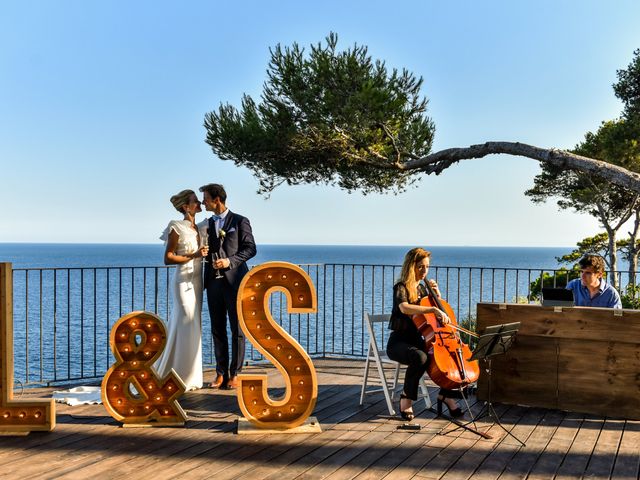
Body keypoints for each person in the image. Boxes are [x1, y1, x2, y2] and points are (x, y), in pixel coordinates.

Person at [386, 247, 465, 420]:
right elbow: (404, 307)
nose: (424, 271)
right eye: (420, 266)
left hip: (418, 340)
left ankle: (446, 395)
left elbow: (432, 317)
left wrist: (436, 296)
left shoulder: (422, 290)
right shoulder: (401, 288)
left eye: (427, 267)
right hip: (399, 342)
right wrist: (432, 308)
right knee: (421, 358)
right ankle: (406, 398)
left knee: (447, 358)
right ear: (411, 266)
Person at [200, 183, 256, 389]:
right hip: (213, 282)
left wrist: (230, 261)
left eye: (205, 198)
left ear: (217, 199)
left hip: (235, 283)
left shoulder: (240, 221)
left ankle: (236, 373)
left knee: (237, 329)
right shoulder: (205, 224)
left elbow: (251, 249)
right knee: (217, 329)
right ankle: (220, 373)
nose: (203, 202)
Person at [155, 190, 208, 391]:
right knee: (184, 320)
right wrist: (194, 255)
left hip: (197, 282)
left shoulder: (201, 227)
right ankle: (175, 374)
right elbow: (168, 258)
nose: (199, 203)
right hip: (182, 281)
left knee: (194, 324)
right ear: (186, 207)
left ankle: (191, 376)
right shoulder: (176, 227)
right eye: (196, 201)